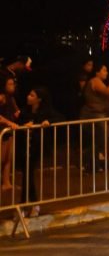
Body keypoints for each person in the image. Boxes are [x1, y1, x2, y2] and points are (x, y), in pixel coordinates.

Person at [20, 87, 64, 215]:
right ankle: (30, 204)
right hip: (24, 146)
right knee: (26, 176)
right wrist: (24, 126)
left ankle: (26, 205)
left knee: (27, 175)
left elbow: (61, 118)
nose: (28, 97)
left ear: (39, 99)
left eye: (32, 95)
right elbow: (19, 123)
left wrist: (48, 121)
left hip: (36, 147)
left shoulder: (46, 111)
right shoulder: (25, 112)